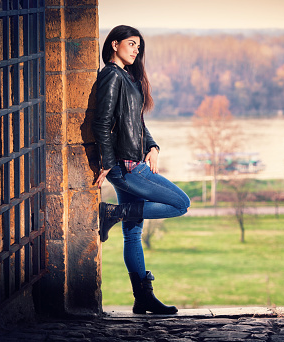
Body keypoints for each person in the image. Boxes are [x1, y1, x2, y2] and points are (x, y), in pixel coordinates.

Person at [92, 25, 190, 315]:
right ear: (114, 44)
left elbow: (136, 123)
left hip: (133, 162)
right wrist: (109, 163)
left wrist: (153, 146)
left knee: (133, 235)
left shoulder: (127, 77)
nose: (136, 50)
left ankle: (142, 298)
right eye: (131, 44)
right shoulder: (111, 75)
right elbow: (102, 123)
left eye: (138, 46)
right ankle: (113, 212)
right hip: (127, 168)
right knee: (181, 203)